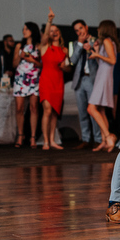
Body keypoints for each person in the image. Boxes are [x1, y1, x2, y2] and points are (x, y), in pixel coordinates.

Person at [39, 8, 69, 150]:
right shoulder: (45, 46)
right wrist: (49, 21)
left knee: (55, 112)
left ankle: (52, 140)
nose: (54, 32)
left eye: (56, 30)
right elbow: (44, 36)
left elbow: (69, 68)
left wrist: (65, 66)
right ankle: (45, 141)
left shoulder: (64, 50)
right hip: (46, 80)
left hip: (58, 81)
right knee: (47, 110)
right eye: (52, 30)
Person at [87, 20, 119, 152]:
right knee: (100, 110)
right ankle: (105, 141)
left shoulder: (106, 41)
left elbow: (112, 60)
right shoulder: (108, 42)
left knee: (91, 108)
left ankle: (108, 136)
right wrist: (95, 51)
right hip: (103, 74)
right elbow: (104, 59)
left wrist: (97, 54)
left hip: (104, 76)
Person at [70, 19, 101, 149]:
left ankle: (98, 139)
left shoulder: (96, 41)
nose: (79, 32)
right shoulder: (74, 44)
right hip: (79, 80)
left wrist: (90, 48)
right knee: (82, 111)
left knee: (93, 110)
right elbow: (72, 60)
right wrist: (80, 44)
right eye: (76, 30)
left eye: (80, 28)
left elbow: (100, 60)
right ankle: (85, 138)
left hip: (91, 79)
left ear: (86, 27)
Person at [13, 21, 42, 148]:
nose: (23, 31)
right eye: (23, 29)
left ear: (32, 31)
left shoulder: (39, 46)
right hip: (20, 78)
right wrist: (20, 56)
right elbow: (14, 64)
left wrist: (31, 60)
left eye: (26, 29)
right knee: (19, 108)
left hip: (34, 78)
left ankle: (33, 137)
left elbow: (42, 65)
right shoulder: (19, 45)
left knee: (33, 107)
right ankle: (20, 135)